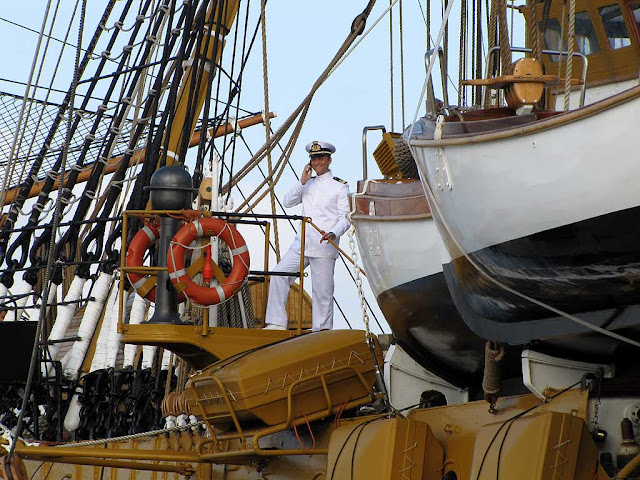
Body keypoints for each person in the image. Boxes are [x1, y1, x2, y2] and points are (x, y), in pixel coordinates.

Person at [264, 141, 350, 331]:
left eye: (320, 157)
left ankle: (322, 330)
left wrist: (334, 233)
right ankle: (276, 322)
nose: (316, 161)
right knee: (279, 274)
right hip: (301, 243)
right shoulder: (307, 183)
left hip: (324, 245)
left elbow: (346, 218)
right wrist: (302, 181)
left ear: (329, 160)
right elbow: (288, 202)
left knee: (322, 292)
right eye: (313, 158)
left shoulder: (340, 187)